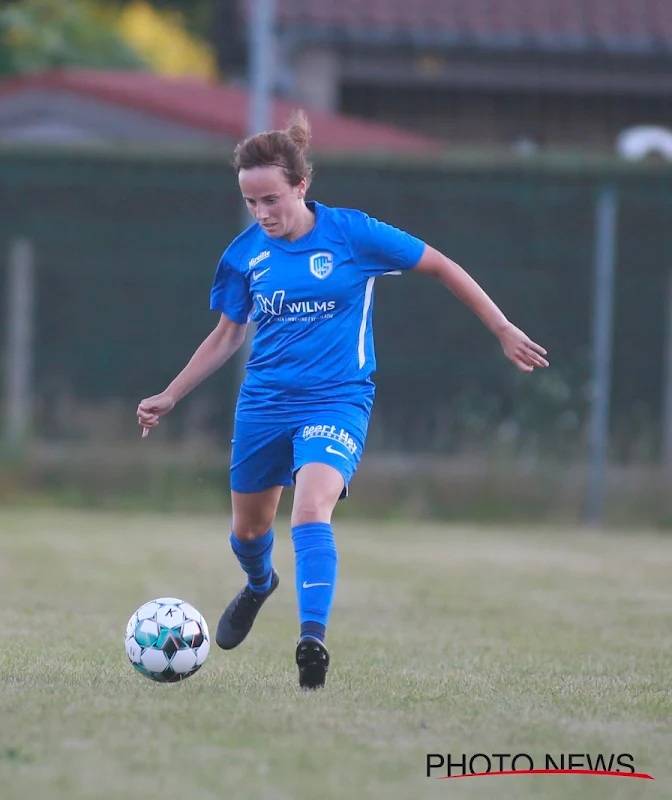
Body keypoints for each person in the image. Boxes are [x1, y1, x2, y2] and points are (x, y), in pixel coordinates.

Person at [135, 110, 548, 690]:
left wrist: (502, 327)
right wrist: (171, 394)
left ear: (302, 186)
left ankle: (312, 643)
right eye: (251, 202)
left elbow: (441, 266)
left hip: (337, 400)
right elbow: (229, 333)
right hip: (264, 404)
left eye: (271, 199)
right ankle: (259, 585)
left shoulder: (353, 235)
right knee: (250, 533)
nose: (262, 214)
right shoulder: (244, 255)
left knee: (310, 509)